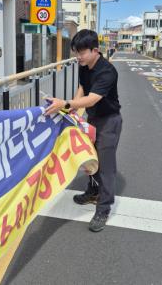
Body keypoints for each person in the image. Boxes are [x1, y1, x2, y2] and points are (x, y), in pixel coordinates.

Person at [45, 29, 122, 232]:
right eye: (75, 52)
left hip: (109, 121)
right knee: (88, 157)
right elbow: (82, 89)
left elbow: (93, 98)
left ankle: (103, 208)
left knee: (105, 166)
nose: (77, 57)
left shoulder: (107, 71)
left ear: (95, 50)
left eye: (81, 52)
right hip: (93, 118)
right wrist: (75, 112)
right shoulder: (85, 65)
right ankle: (93, 191)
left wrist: (66, 103)